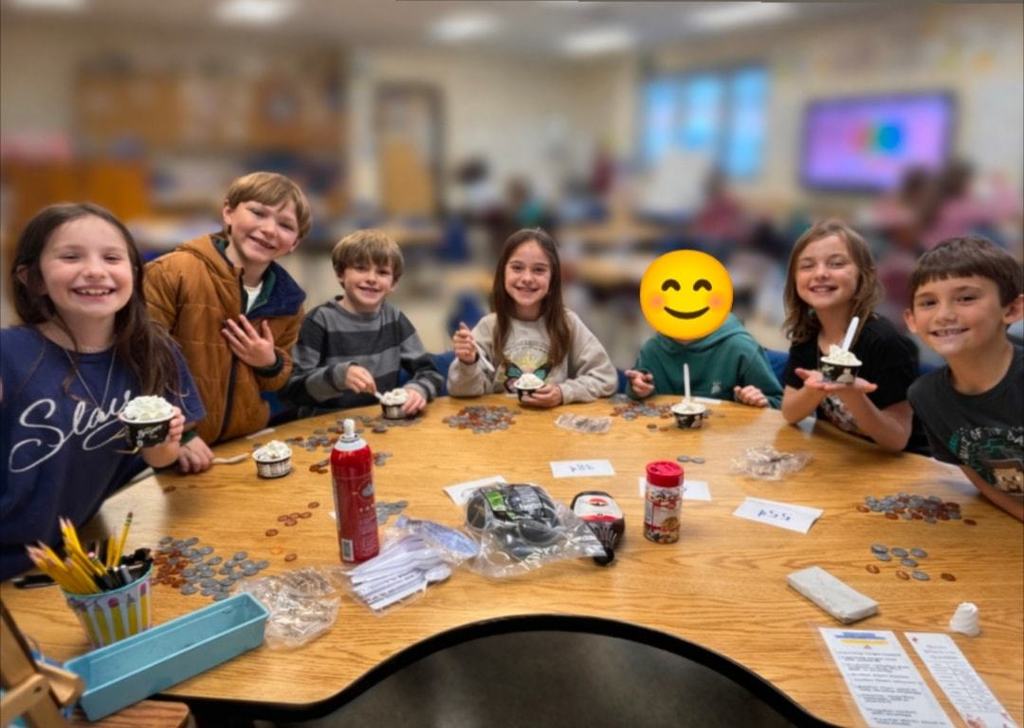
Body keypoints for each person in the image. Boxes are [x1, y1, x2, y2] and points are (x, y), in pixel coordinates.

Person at [1, 203, 204, 580]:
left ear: (134, 272)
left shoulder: (153, 352)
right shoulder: (9, 354)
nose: (95, 270)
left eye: (112, 257)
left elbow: (158, 459)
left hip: (71, 555)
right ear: (34, 279)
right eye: (70, 256)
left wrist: (171, 436)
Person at [145, 172, 309, 473]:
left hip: (247, 445)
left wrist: (268, 361)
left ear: (294, 243)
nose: (269, 229)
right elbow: (142, 361)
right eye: (258, 212)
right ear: (228, 212)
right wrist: (181, 433)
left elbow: (277, 378)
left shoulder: (289, 301)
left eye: (285, 225)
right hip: (176, 450)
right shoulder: (173, 272)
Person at [780, 219, 927, 453]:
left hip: (900, 467)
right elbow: (790, 412)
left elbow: (897, 440)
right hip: (842, 454)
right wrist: (814, 388)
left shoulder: (886, 342)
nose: (820, 273)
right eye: (807, 266)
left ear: (864, 275)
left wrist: (848, 391)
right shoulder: (806, 334)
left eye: (836, 264)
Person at [904, 236, 1023, 521]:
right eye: (929, 302)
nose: (944, 314)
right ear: (911, 321)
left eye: (966, 298)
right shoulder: (925, 396)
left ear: (1012, 310)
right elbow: (977, 474)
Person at [282, 229, 443, 416]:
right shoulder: (319, 321)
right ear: (341, 273)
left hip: (377, 422)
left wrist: (418, 390)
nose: (371, 279)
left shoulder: (395, 318)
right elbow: (292, 390)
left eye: (382, 272)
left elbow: (430, 373)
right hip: (323, 426)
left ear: (393, 283)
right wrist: (337, 377)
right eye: (361, 268)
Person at [448, 228, 617, 406]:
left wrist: (563, 393)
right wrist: (468, 362)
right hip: (501, 429)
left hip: (554, 429)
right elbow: (461, 392)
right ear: (502, 273)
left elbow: (606, 378)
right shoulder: (489, 327)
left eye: (538, 270)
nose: (527, 278)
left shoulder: (568, 323)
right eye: (517, 268)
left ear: (553, 280)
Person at [625, 317, 783, 409]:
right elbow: (639, 398)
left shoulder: (741, 347)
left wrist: (758, 400)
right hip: (665, 443)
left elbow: (778, 402)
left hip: (728, 444)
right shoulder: (652, 348)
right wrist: (638, 390)